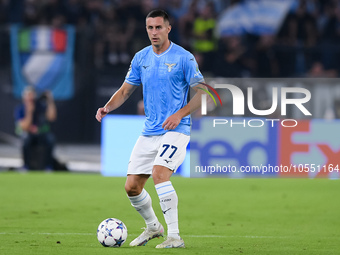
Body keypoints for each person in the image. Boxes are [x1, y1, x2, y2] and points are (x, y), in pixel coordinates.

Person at [96, 9, 206, 248]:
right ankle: (153, 227)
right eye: (150, 28)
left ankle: (175, 236)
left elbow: (203, 93)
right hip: (150, 131)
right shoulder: (141, 58)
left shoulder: (183, 57)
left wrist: (179, 114)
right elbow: (125, 90)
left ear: (168, 28)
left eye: (158, 27)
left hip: (176, 130)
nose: (154, 32)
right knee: (132, 187)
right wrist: (107, 107)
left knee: (159, 174)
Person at [15, 86, 57, 170]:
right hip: (28, 134)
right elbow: (24, 126)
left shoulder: (40, 106)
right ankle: (26, 166)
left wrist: (50, 100)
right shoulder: (20, 109)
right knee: (25, 141)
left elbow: (52, 117)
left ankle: (48, 166)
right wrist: (29, 112)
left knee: (50, 139)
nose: (30, 99)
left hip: (41, 134)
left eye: (32, 96)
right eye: (28, 96)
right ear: (24, 97)